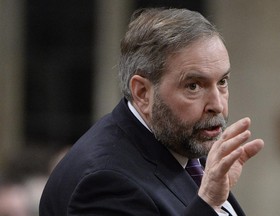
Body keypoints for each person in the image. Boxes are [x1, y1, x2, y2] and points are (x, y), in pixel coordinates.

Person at [39, 8, 264, 216]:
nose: (217, 104)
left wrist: (218, 201)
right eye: (193, 86)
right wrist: (209, 203)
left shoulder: (184, 142)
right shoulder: (106, 182)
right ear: (143, 92)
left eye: (222, 81)